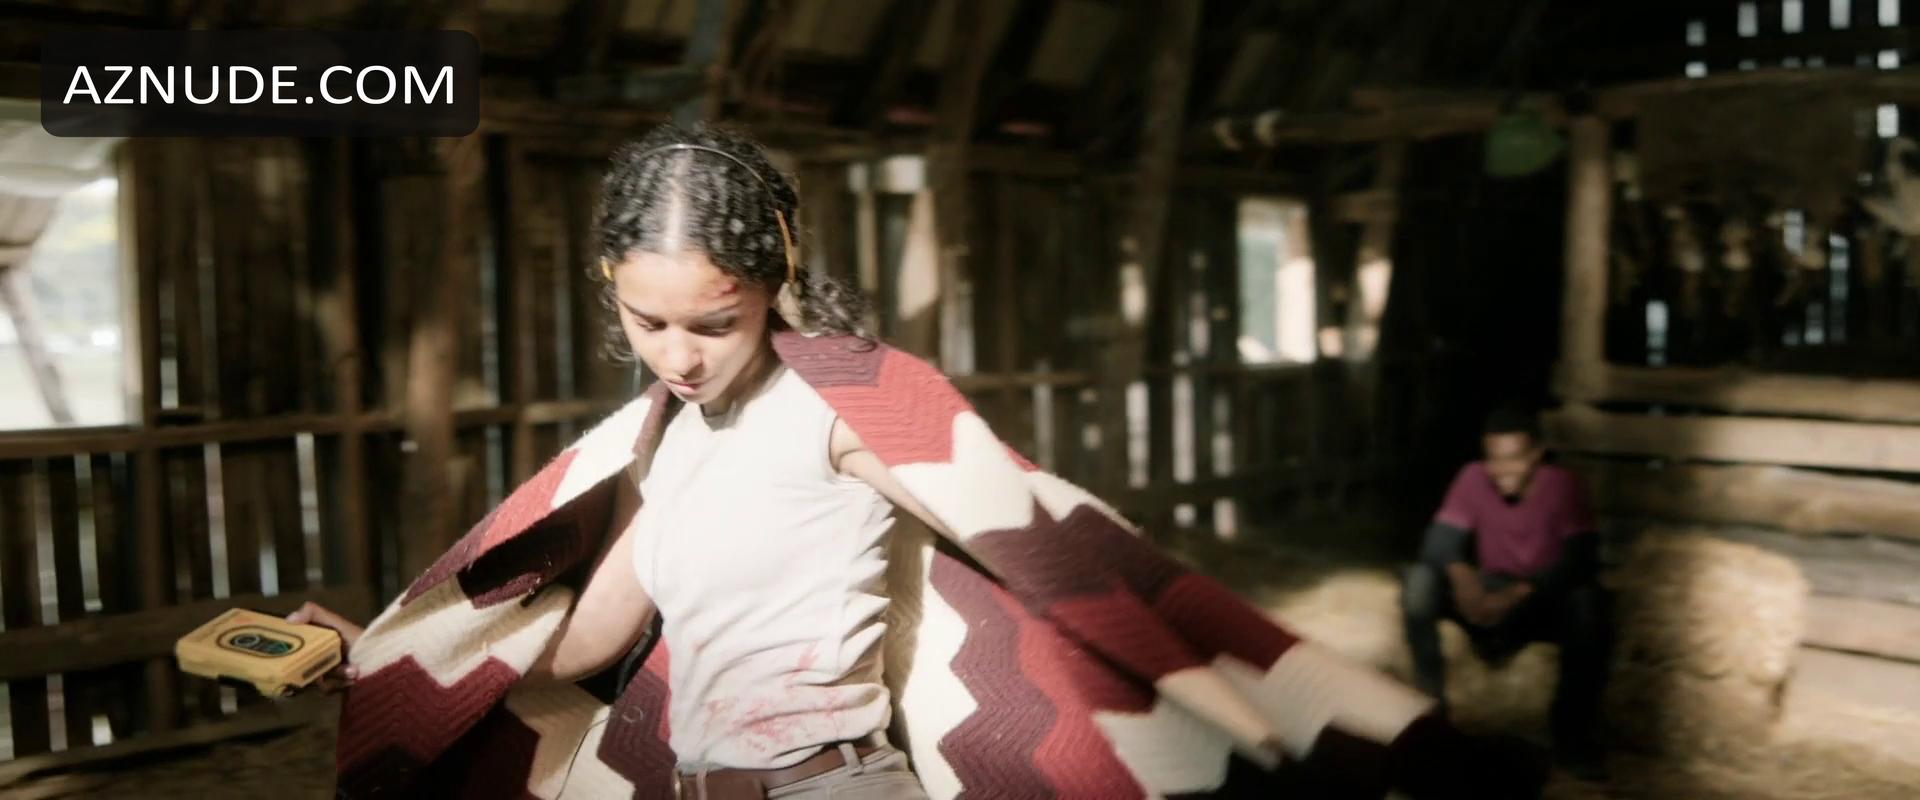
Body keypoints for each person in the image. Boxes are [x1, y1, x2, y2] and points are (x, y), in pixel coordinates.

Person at [295, 125, 1548, 800]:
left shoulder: (846, 406)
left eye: (713, 322)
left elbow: (1050, 549)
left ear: (775, 278)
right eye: (647, 321)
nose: (676, 354)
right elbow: (580, 643)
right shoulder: (665, 441)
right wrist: (389, 657)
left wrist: (1299, 707)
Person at [1400, 404, 1610, 774]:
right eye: (1494, 459)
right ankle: (1431, 714)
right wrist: (1464, 580)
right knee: (1418, 581)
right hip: (1488, 586)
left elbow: (1581, 558)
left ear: (1536, 454)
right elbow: (1438, 541)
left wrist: (1516, 595)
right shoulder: (1473, 477)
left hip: (1539, 596)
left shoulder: (1563, 485)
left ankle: (1571, 737)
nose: (1502, 471)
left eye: (1514, 459)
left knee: (1588, 602)